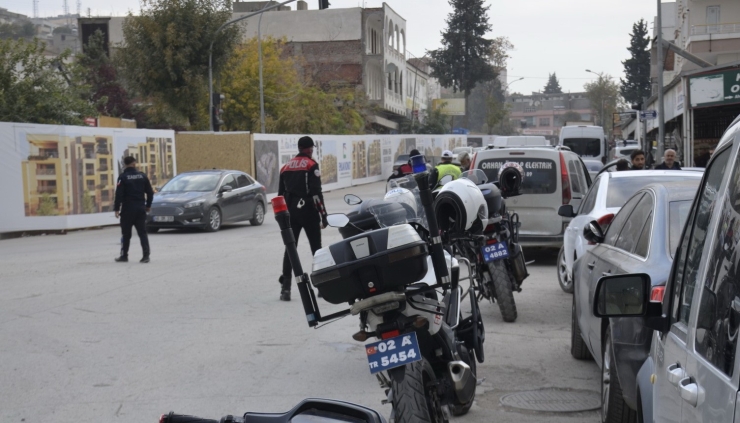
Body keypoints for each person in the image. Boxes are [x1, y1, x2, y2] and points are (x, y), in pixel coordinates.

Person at [278, 136, 328, 301]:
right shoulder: (311, 165)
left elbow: (280, 196)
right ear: (309, 149)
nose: (311, 150)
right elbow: (315, 193)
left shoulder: (285, 168)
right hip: (308, 212)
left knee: (290, 250)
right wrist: (323, 214)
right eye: (311, 148)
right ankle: (321, 287)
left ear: (299, 148)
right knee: (317, 250)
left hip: (290, 213)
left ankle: (285, 289)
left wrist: (281, 217)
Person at [114, 156, 154, 263]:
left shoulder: (122, 177)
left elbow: (119, 194)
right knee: (142, 233)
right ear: (134, 163)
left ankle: (124, 256)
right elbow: (150, 193)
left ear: (125, 164)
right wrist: (148, 205)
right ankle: (146, 256)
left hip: (127, 209)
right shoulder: (142, 176)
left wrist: (117, 208)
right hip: (140, 208)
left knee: (126, 234)